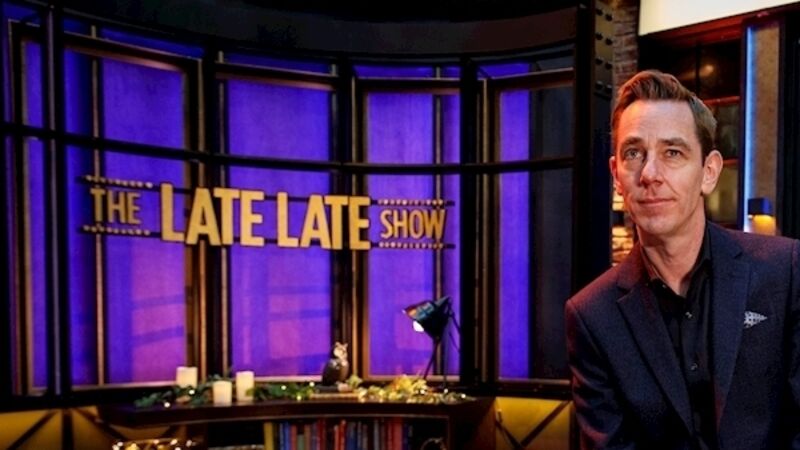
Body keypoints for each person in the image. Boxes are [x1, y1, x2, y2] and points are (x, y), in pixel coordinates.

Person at [564, 69, 800, 449]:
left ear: (709, 172)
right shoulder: (592, 315)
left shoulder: (784, 271)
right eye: (633, 153)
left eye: (672, 153)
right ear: (616, 175)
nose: (649, 174)